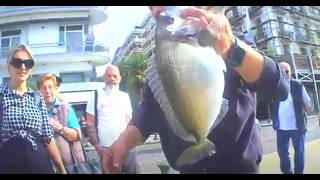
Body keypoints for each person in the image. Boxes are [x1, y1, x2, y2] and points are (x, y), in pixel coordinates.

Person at [101, 6, 290, 174]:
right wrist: (122, 145)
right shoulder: (161, 60)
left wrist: (231, 47)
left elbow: (279, 88)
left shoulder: (235, 39)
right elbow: (148, 114)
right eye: (150, 7)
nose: (155, 10)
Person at [0, 44, 66, 174]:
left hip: (39, 162)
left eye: (27, 63)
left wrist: (61, 169)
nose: (23, 67)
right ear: (9, 65)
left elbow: (47, 137)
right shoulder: (1, 95)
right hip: (9, 163)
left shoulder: (37, 98)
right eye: (17, 62)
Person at [86, 64, 140, 174]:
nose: (112, 79)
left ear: (120, 79)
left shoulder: (125, 96)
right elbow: (90, 123)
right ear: (104, 78)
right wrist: (97, 147)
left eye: (115, 76)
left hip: (127, 147)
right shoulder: (95, 96)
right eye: (109, 76)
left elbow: (130, 121)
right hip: (106, 149)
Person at [38, 73, 84, 173]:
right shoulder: (35, 111)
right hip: (46, 167)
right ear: (39, 91)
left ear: (55, 89)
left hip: (69, 166)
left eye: (50, 87)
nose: (47, 91)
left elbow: (77, 136)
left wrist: (60, 128)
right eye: (44, 88)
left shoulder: (66, 108)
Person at [272, 62, 310, 174]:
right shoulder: (276, 86)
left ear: (290, 72)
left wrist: (302, 113)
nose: (285, 73)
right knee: (282, 153)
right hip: (281, 128)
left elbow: (307, 104)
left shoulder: (297, 85)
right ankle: (287, 172)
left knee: (299, 152)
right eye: (282, 70)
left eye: (287, 71)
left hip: (297, 127)